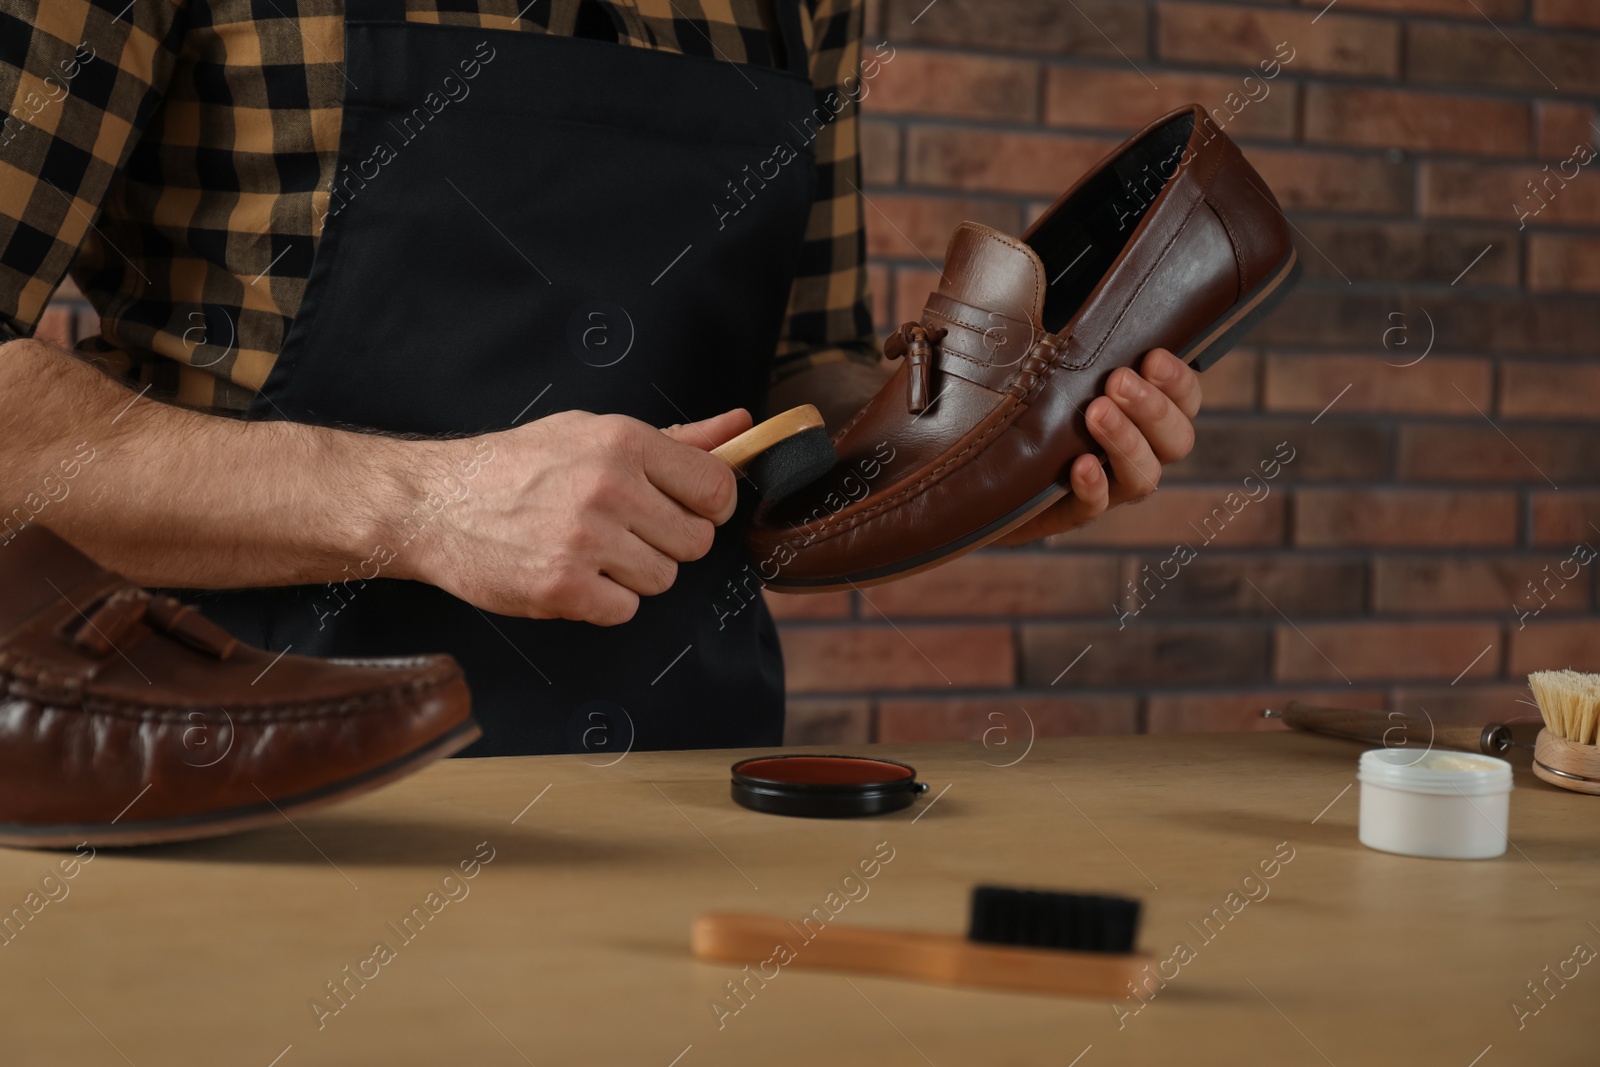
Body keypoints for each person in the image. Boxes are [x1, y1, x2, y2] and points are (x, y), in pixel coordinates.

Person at [0, 0, 1202, 755]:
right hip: (249, 794)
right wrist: (427, 504)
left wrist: (983, 466)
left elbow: (807, 385)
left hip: (689, 799)